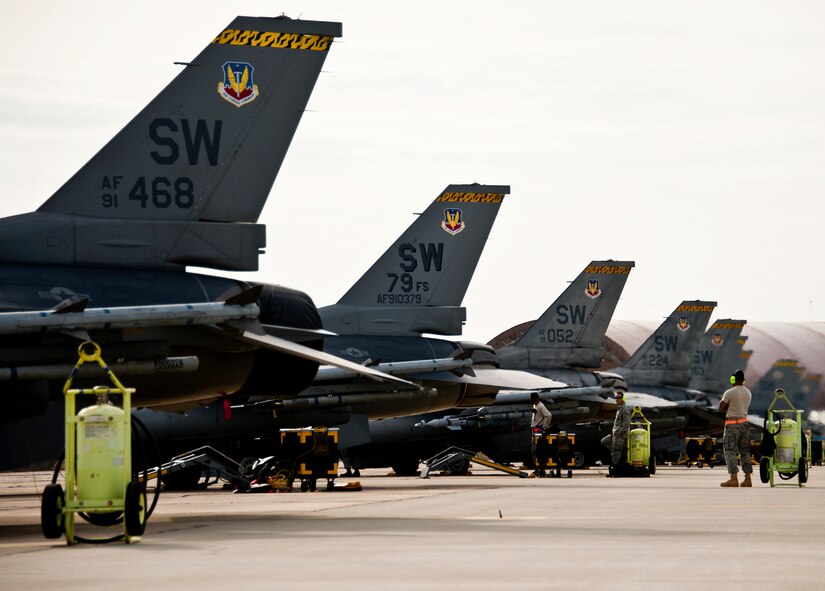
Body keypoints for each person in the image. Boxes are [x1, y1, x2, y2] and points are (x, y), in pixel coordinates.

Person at [719, 369, 753, 487]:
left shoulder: (729, 392)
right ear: (743, 380)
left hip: (732, 424)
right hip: (745, 424)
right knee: (745, 451)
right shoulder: (748, 393)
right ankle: (748, 479)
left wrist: (729, 407)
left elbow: (721, 407)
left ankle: (733, 479)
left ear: (733, 379)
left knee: (730, 451)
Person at [601, 390, 632, 473]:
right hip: (615, 433)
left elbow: (626, 423)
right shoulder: (619, 408)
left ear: (622, 398)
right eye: (616, 398)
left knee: (616, 452)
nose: (617, 399)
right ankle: (618, 458)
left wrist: (619, 432)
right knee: (604, 441)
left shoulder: (625, 409)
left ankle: (616, 470)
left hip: (620, 435)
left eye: (619, 398)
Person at [530, 392, 552, 477]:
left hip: (538, 431)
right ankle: (538, 469)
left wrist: (543, 426)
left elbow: (548, 415)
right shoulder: (535, 406)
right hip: (535, 430)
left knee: (538, 452)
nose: (530, 400)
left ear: (536, 399)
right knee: (534, 451)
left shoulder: (541, 406)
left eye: (532, 399)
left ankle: (540, 469)